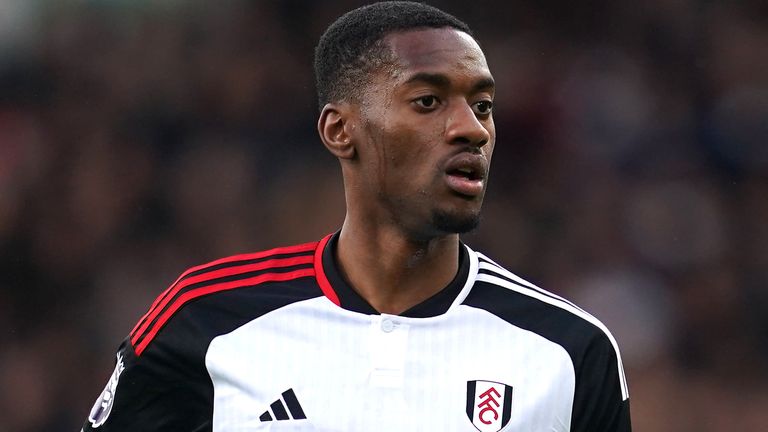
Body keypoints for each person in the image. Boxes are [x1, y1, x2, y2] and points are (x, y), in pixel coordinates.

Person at [82, 2, 631, 431]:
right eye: (428, 101)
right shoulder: (205, 320)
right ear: (340, 131)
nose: (472, 128)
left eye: (482, 105)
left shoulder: (569, 350)